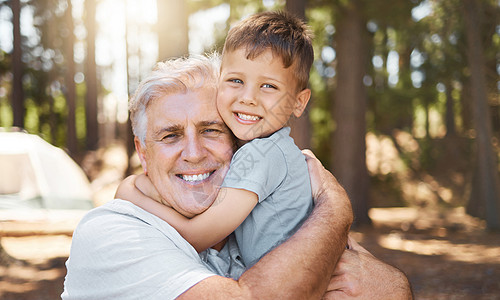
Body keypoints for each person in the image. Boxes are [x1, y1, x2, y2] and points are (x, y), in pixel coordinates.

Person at [62, 54, 412, 299]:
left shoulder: (252, 212)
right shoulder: (110, 231)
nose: (194, 152)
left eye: (211, 130)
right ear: (142, 151)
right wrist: (336, 208)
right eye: (170, 135)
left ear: (237, 139)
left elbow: (392, 289)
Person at [118, 11, 315, 268]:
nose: (248, 98)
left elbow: (194, 236)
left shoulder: (264, 155)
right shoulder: (265, 149)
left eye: (268, 86)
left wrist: (131, 194)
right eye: (236, 80)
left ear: (299, 102)